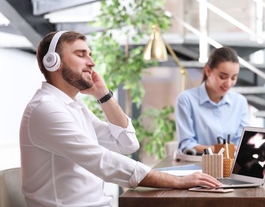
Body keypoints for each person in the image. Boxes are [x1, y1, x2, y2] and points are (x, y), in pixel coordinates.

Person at [20, 30, 221, 207]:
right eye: (81, 55)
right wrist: (176, 180)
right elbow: (103, 161)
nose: (92, 62)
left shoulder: (74, 106)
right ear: (53, 62)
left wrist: (103, 95)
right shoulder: (46, 110)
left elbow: (127, 143)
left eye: (90, 55)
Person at [175, 46, 251, 154]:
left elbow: (242, 142)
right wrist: (220, 150)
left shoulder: (240, 102)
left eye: (233, 78)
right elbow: (186, 144)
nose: (229, 83)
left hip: (232, 164)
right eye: (223, 77)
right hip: (199, 164)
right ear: (208, 71)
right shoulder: (186, 100)